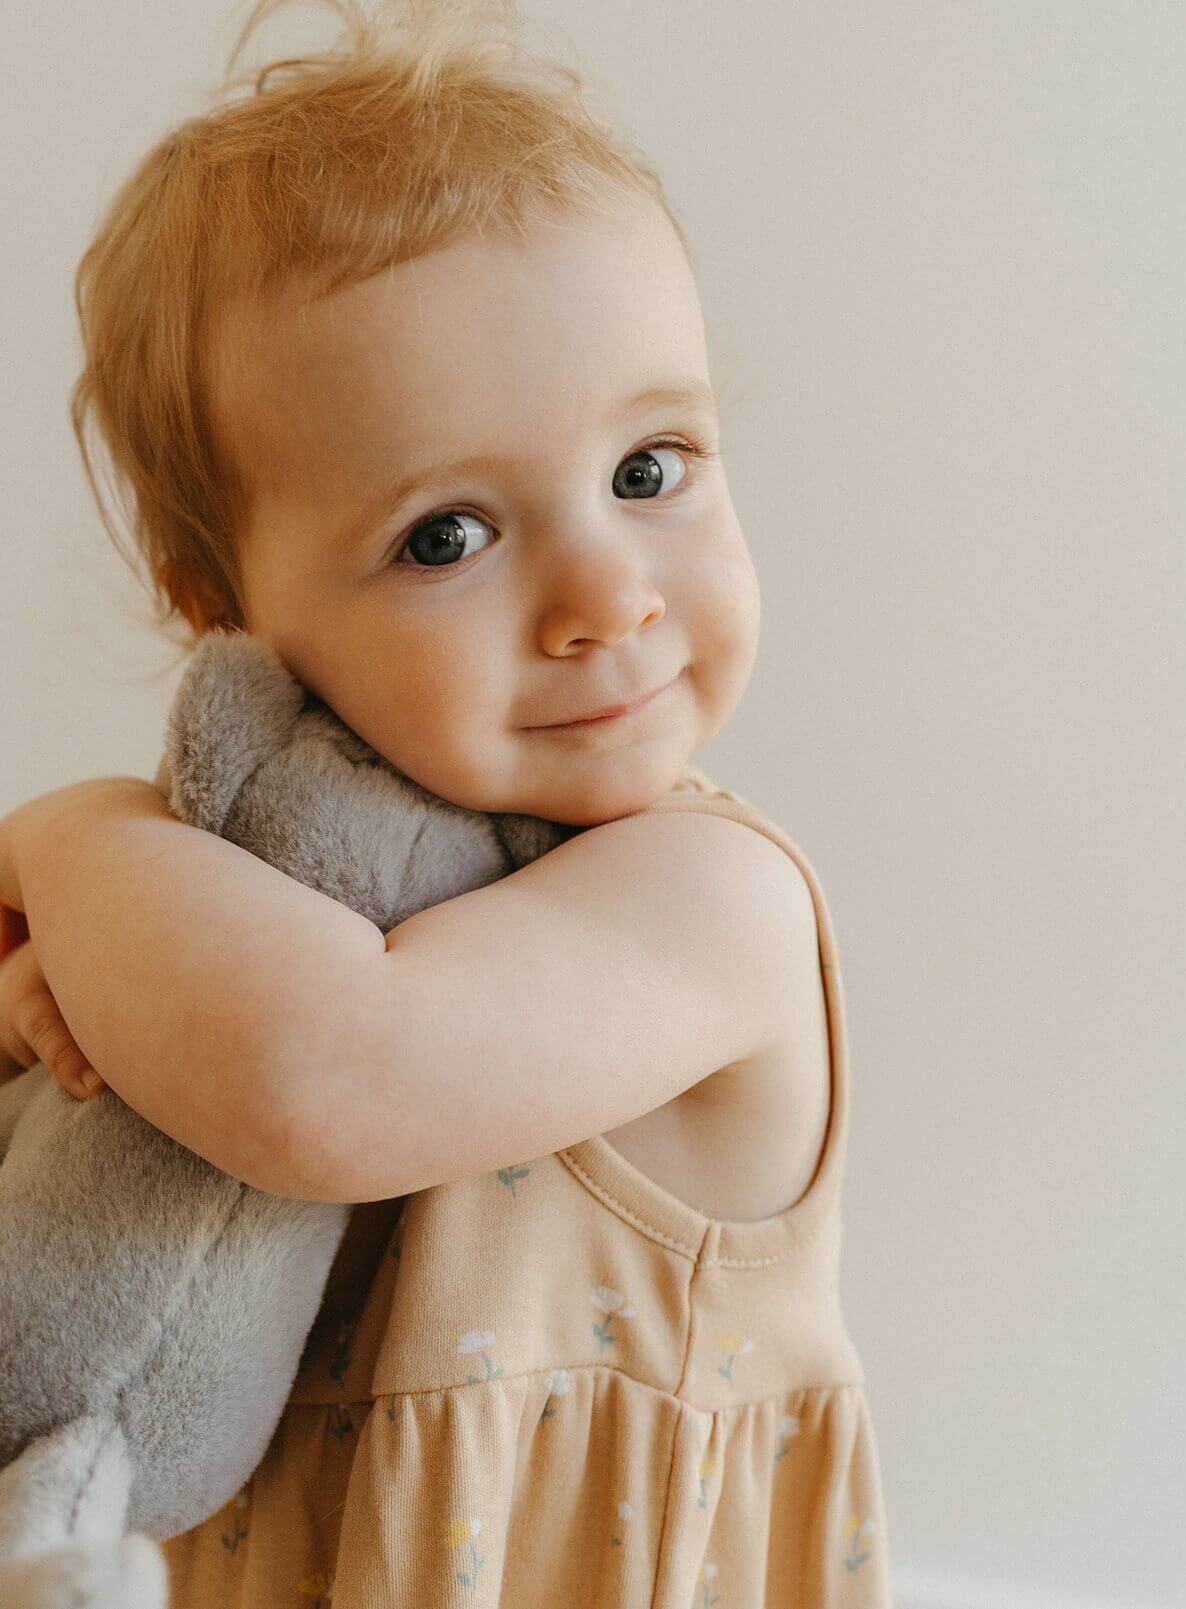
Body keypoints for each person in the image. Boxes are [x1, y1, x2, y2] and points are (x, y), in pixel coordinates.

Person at [0, 0, 893, 1601]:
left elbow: (328, 1079)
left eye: (649, 468)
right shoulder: (258, 905)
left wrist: (69, 839)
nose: (605, 596)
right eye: (446, 536)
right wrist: (51, 1025)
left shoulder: (714, 901)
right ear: (220, 605)